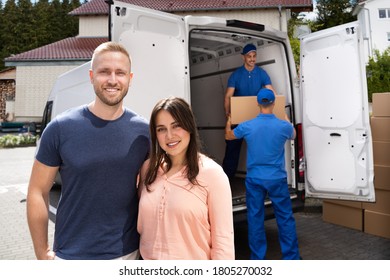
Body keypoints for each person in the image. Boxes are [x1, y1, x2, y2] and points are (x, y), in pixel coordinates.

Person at [26, 42, 150, 260]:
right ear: (92, 76)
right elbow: (37, 191)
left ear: (130, 78)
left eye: (120, 73)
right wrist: (41, 252)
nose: (112, 79)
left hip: (128, 254)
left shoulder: (144, 132)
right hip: (71, 255)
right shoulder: (60, 128)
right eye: (104, 72)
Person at [137, 96, 235, 260]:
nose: (169, 135)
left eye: (176, 126)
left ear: (189, 126)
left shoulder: (213, 174)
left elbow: (223, 243)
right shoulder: (148, 169)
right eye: (161, 129)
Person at [225, 88, 300, 260]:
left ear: (258, 104)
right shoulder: (283, 127)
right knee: (285, 219)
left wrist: (229, 119)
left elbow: (229, 136)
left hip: (255, 180)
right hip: (277, 179)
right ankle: (292, 258)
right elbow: (294, 134)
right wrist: (286, 118)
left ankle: (257, 259)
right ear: (273, 104)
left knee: (255, 219)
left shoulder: (248, 126)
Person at [223, 43, 276, 179]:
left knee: (259, 151)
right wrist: (228, 114)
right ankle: (226, 181)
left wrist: (276, 108)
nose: (252, 59)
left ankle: (262, 180)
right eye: (249, 56)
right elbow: (228, 96)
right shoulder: (236, 75)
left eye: (254, 56)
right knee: (232, 151)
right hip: (238, 119)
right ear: (243, 57)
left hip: (256, 118)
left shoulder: (262, 73)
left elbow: (271, 91)